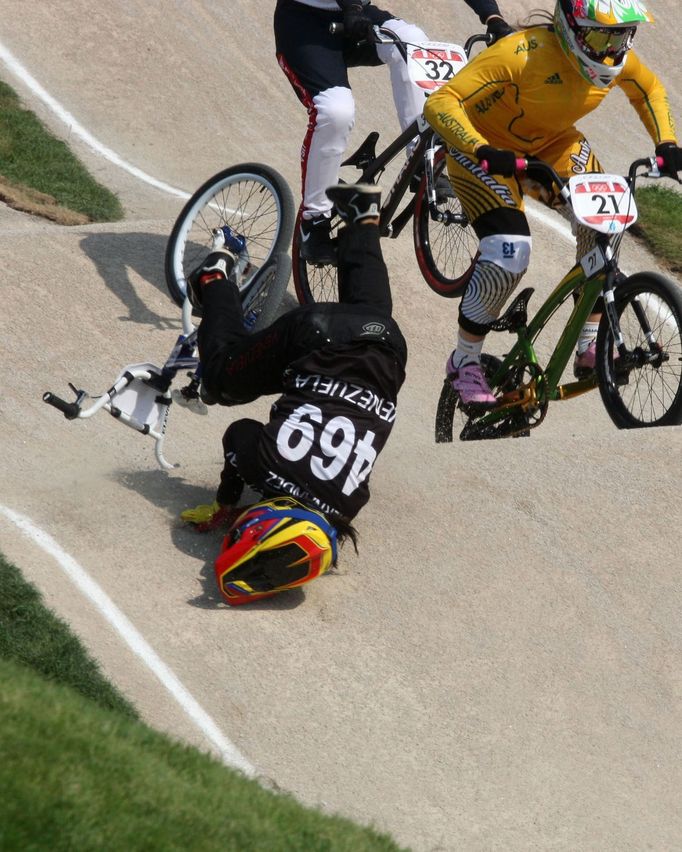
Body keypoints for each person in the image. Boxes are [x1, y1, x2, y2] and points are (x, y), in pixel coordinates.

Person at [423, 0, 682, 410]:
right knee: (509, 254)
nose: (613, 49)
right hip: (485, 152)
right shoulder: (520, 54)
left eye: (622, 35)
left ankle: (590, 345)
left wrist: (666, 142)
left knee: (606, 222)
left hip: (552, 145)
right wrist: (482, 148)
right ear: (572, 30)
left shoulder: (616, 59)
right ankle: (464, 360)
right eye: (602, 36)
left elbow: (648, 88)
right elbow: (440, 103)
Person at [180, 183, 407, 605]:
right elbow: (237, 435)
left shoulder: (347, 505)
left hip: (388, 347)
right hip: (313, 335)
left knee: (372, 318)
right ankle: (213, 277)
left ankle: (363, 219)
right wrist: (225, 504)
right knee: (219, 378)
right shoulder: (261, 463)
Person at [274, 0, 512, 264]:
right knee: (335, 111)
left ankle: (422, 159)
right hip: (303, 24)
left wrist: (493, 17)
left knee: (414, 41)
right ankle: (314, 220)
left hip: (357, 15)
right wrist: (352, 9)